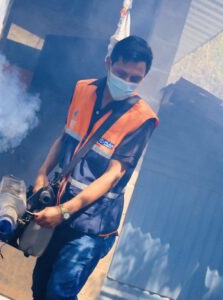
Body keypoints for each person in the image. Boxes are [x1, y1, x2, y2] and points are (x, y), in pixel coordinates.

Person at [31, 35, 160, 300]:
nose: (126, 81)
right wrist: (42, 173)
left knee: (59, 292)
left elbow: (113, 175)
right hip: (58, 208)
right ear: (108, 62)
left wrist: (65, 211)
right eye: (121, 72)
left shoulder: (142, 119)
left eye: (135, 78)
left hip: (92, 227)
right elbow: (65, 136)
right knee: (40, 287)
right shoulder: (83, 90)